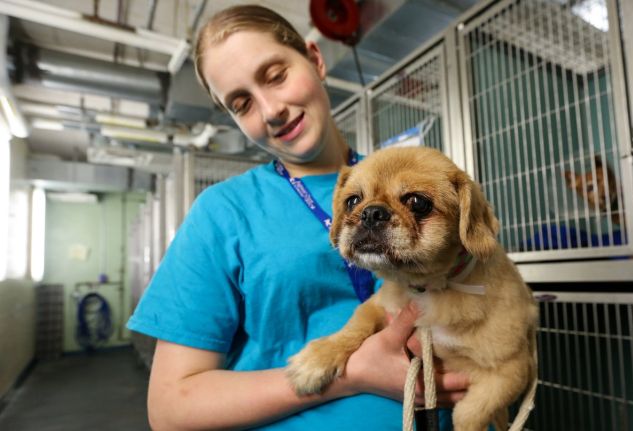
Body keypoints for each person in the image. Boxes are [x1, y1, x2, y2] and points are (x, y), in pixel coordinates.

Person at [127, 5, 468, 430]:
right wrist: (350, 374)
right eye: (242, 103)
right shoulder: (223, 213)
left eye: (276, 75)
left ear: (315, 59)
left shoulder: (415, 181)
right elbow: (171, 409)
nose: (271, 109)